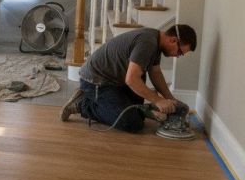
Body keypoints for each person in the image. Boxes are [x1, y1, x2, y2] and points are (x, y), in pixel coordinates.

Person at [60, 24, 197, 131]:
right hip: (96, 81)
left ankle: (130, 108)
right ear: (173, 40)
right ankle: (83, 104)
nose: (177, 56)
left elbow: (155, 73)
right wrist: (158, 100)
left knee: (135, 108)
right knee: (132, 123)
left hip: (116, 81)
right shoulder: (148, 42)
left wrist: (169, 98)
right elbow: (131, 80)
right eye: (179, 52)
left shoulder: (155, 40)